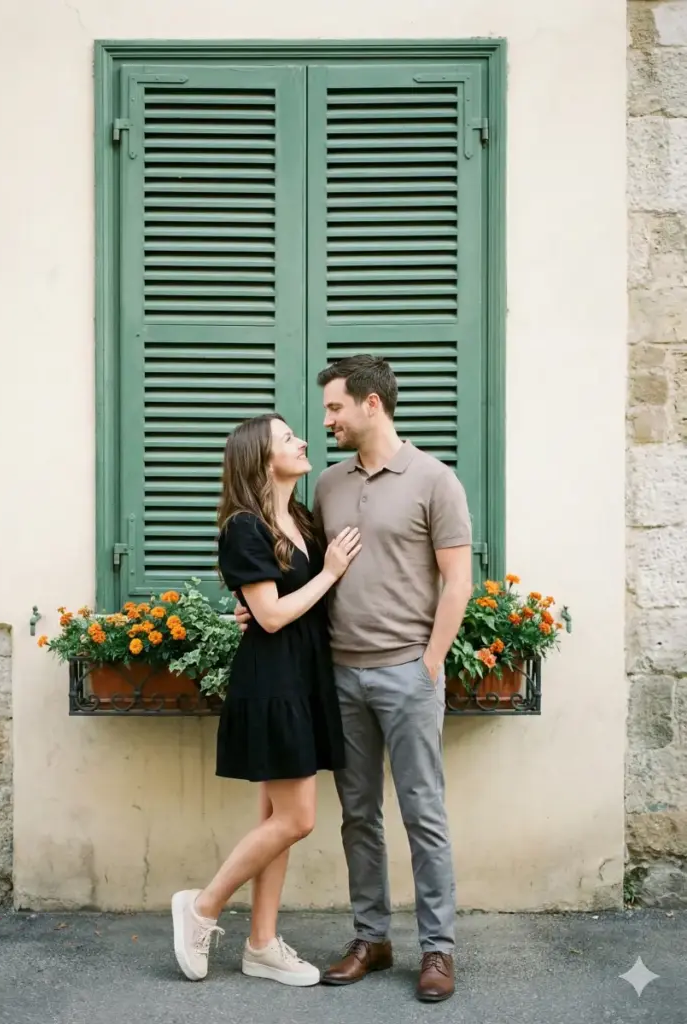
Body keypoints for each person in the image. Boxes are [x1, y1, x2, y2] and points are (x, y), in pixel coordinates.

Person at [234, 356, 472, 1002]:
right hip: (339, 677)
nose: (326, 419)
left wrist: (429, 664)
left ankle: (437, 950)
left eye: (335, 407)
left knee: (423, 813)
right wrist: (251, 604)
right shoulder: (329, 486)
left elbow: (457, 581)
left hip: (406, 674)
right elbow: (296, 566)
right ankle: (371, 937)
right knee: (357, 816)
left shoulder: (433, 480)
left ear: (372, 405)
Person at [171, 412, 361, 988]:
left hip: (302, 677)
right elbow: (274, 615)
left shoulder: (300, 518)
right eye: (287, 438)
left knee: (276, 819)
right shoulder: (244, 527)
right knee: (298, 819)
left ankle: (261, 944)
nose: (303, 440)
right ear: (261, 457)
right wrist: (328, 574)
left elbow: (273, 603)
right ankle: (202, 908)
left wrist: (285, 592)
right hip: (273, 681)